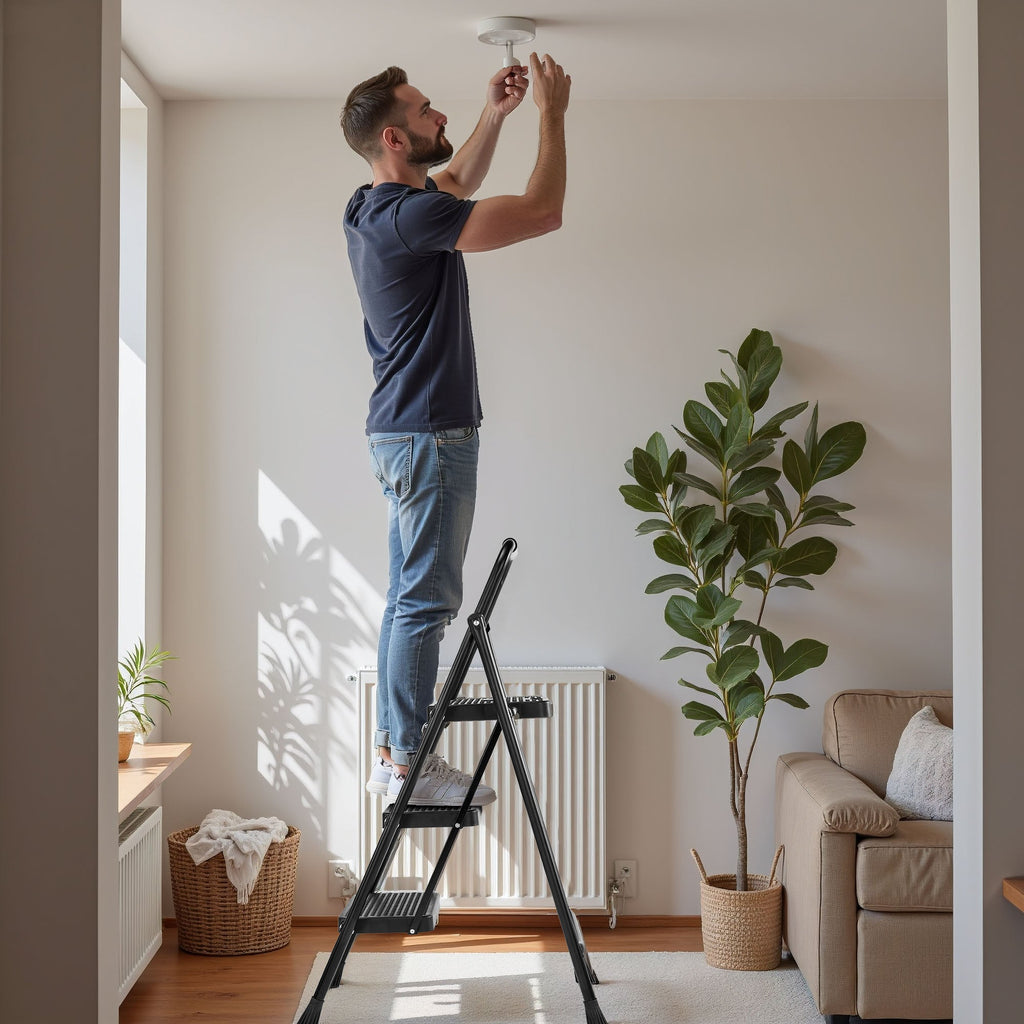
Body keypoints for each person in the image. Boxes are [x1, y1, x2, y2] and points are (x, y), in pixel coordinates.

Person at [340, 52, 571, 807]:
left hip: (402, 433)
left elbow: (459, 183)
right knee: (425, 602)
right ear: (396, 141)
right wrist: (550, 115)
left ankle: (391, 754)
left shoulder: (372, 208)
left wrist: (494, 115)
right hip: (432, 435)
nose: (439, 117)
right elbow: (541, 212)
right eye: (426, 111)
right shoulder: (412, 218)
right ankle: (406, 764)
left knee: (407, 597)